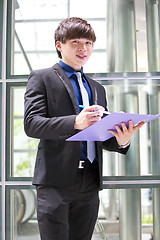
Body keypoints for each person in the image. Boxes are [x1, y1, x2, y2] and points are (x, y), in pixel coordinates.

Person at [24, 17, 144, 240]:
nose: (83, 48)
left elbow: (99, 136)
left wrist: (121, 140)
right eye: (76, 42)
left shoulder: (97, 88)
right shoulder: (42, 78)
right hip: (55, 182)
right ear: (59, 45)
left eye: (88, 43)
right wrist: (75, 123)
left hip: (89, 182)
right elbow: (32, 124)